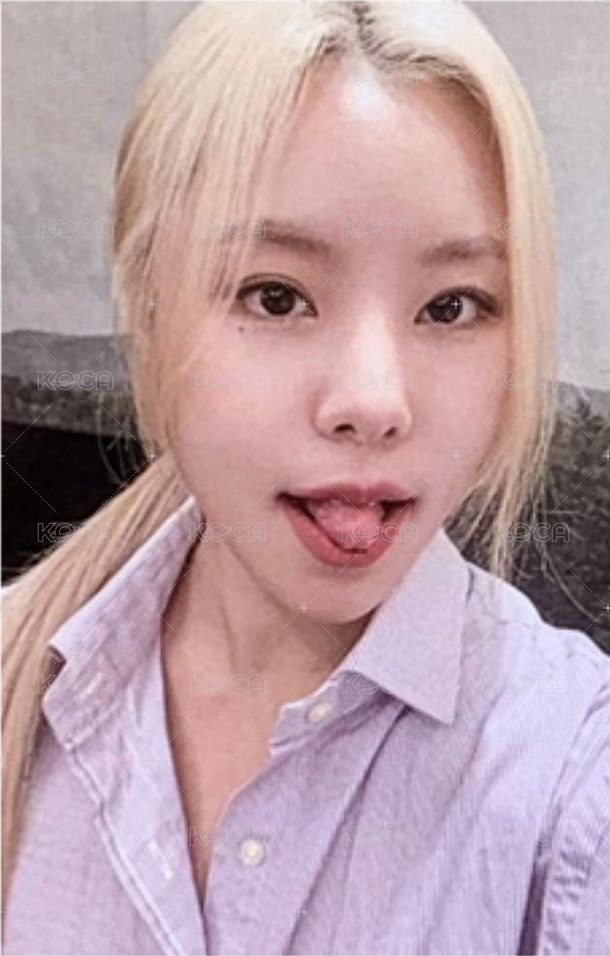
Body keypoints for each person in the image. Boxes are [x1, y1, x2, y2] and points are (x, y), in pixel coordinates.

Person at [2, 2, 609, 953]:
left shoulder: (571, 784)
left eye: (452, 306)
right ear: (150, 310)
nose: (374, 402)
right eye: (276, 295)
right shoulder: (22, 693)